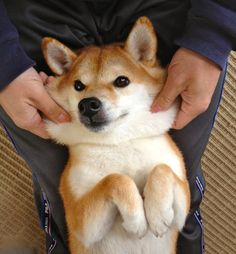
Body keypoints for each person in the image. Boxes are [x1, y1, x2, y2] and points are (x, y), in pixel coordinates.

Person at [0, 0, 235, 253]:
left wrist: (213, 30)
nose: (94, 99)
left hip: (171, 8)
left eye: (120, 81)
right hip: (29, 14)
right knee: (61, 202)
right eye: (81, 87)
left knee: (178, 198)